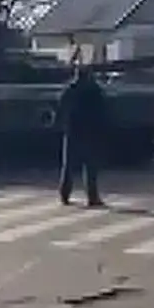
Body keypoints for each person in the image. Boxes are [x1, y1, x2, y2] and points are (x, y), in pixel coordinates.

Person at [56, 65, 106, 207]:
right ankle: (92, 197)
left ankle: (64, 195)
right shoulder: (94, 90)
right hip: (90, 131)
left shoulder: (70, 89)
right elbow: (102, 110)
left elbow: (61, 109)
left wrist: (63, 126)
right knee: (90, 167)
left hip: (73, 130)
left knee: (68, 166)